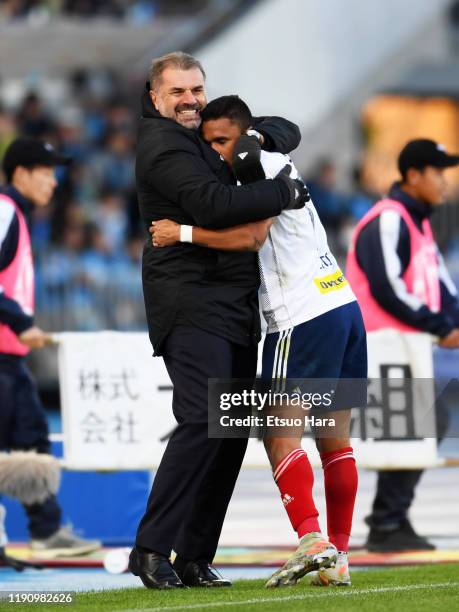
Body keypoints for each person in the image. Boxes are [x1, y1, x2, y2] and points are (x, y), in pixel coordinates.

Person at [150, 95, 367, 587]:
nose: (218, 152)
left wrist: (181, 232)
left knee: (277, 433)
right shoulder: (278, 157)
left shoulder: (253, 166)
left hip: (299, 314)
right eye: (209, 143)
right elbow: (283, 130)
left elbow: (251, 239)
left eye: (222, 141)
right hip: (340, 303)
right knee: (335, 441)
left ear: (245, 135)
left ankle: (312, 540)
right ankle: (341, 558)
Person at [130, 53, 308, 590]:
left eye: (197, 90)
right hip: (190, 302)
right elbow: (209, 205)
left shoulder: (202, 134)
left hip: (231, 304)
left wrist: (253, 134)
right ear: (155, 96)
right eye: (178, 91)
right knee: (205, 421)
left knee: (228, 433)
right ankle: (151, 550)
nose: (189, 100)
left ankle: (193, 555)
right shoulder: (161, 144)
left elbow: (287, 129)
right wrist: (285, 193)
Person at [346, 138, 459, 552]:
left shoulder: (418, 223)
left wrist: (450, 321)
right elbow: (386, 288)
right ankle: (386, 521)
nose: (444, 183)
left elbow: (442, 289)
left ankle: (389, 521)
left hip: (402, 346)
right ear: (413, 175)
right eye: (437, 172)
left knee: (425, 424)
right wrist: (440, 326)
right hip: (379, 345)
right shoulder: (390, 218)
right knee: (422, 423)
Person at [0, 137, 101, 557]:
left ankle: (45, 528)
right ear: (21, 174)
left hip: (10, 356)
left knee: (31, 438)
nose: (53, 183)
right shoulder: (5, 210)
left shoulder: (15, 215)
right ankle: (40, 530)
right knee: (25, 440)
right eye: (45, 172)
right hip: (4, 352)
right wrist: (22, 323)